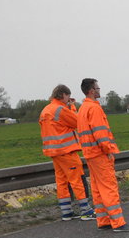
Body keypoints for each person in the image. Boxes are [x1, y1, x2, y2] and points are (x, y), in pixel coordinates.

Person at [77, 78, 129, 232]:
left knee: (97, 188)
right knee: (109, 187)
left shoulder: (83, 108)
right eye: (97, 88)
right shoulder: (94, 108)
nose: (99, 90)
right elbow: (100, 133)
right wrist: (108, 150)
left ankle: (103, 220)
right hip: (100, 153)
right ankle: (118, 223)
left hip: (90, 153)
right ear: (91, 90)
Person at [39, 84, 94, 221]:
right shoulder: (60, 109)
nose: (68, 98)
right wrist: (72, 107)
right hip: (66, 150)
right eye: (68, 96)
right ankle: (86, 211)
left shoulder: (45, 110)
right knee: (78, 180)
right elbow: (77, 122)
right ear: (63, 94)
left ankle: (66, 212)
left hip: (54, 152)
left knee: (62, 181)